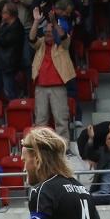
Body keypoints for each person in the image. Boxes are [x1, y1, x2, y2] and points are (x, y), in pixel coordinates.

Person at [29, 7, 72, 142]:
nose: (47, 34)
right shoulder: (41, 43)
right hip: (41, 87)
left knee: (61, 119)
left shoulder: (63, 44)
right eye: (46, 32)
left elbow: (64, 36)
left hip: (58, 87)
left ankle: (64, 147)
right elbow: (31, 39)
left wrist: (54, 24)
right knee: (40, 120)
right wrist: (36, 21)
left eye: (50, 32)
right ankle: (41, 146)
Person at [0, 3, 25, 101]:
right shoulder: (5, 26)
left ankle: (15, 110)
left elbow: (4, 42)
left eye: (3, 12)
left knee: (10, 94)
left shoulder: (17, 27)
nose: (1, 15)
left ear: (8, 14)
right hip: (0, 63)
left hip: (9, 65)